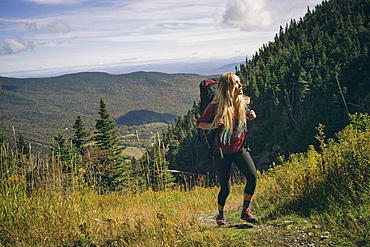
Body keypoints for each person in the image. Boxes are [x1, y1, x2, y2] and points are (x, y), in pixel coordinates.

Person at [196, 72, 258, 226]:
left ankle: (246, 211)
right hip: (222, 153)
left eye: (239, 82)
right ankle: (221, 215)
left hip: (240, 149)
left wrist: (250, 116)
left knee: (252, 177)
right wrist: (213, 125)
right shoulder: (215, 107)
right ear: (227, 87)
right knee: (226, 188)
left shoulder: (242, 102)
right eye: (236, 83)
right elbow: (199, 123)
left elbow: (246, 114)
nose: (240, 85)